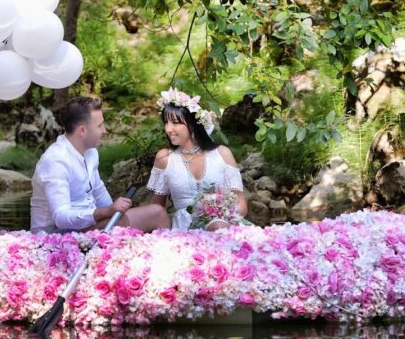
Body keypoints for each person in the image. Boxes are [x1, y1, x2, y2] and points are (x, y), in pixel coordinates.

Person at [31, 97, 170, 233]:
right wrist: (106, 212)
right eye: (99, 125)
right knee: (120, 224)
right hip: (54, 235)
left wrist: (114, 212)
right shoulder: (55, 160)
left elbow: (99, 192)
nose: (104, 130)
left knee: (158, 213)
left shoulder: (91, 152)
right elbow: (61, 218)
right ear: (82, 130)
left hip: (86, 226)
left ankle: (164, 253)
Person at [146, 88, 248, 230]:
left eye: (175, 123)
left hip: (223, 229)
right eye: (166, 122)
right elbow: (156, 208)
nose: (169, 129)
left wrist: (222, 217)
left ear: (193, 124)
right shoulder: (165, 158)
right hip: (183, 234)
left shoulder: (222, 154)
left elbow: (241, 204)